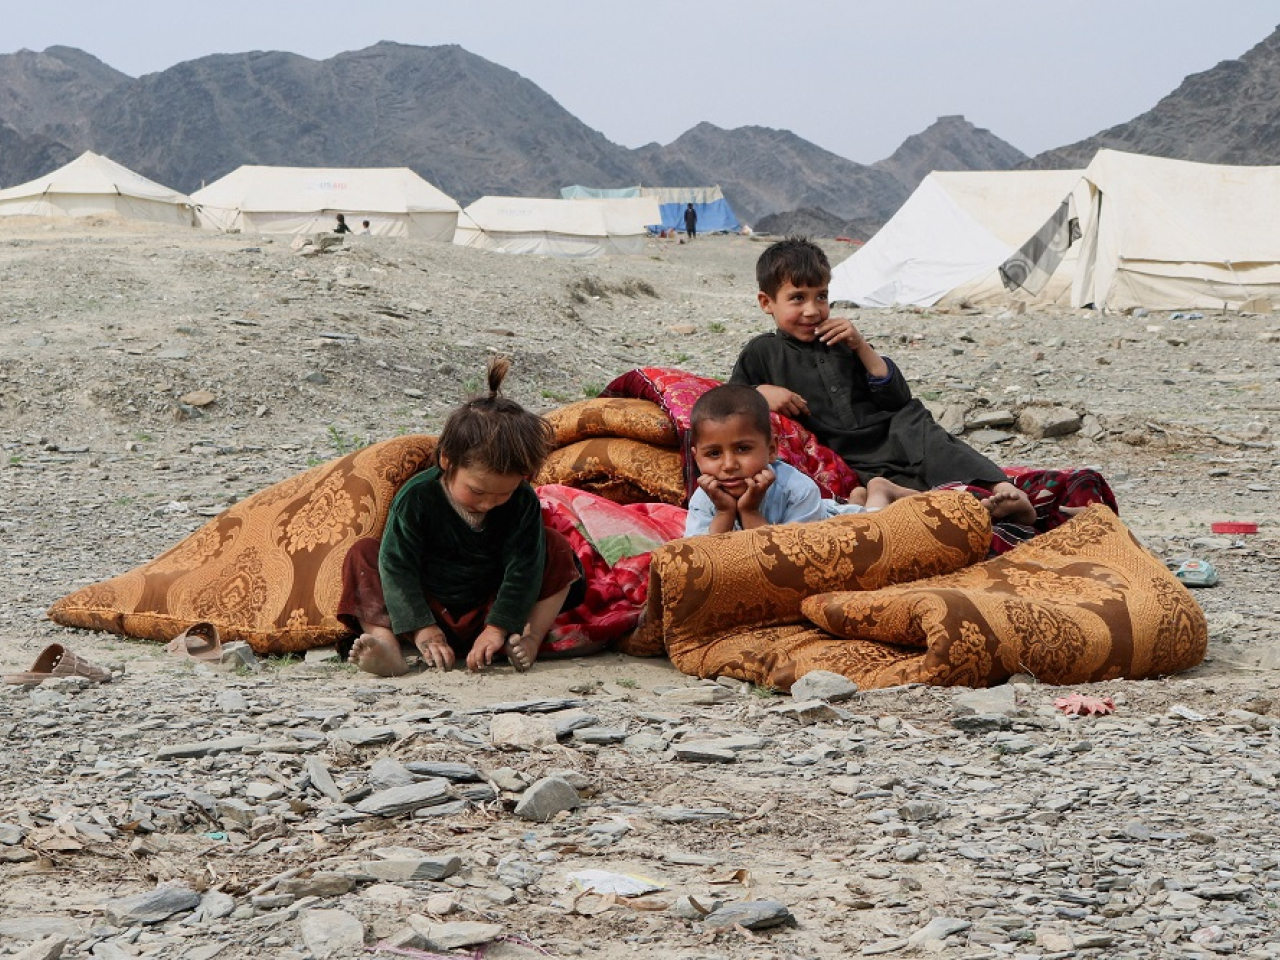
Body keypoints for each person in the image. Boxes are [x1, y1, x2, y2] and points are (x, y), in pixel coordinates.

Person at [730, 237, 1036, 524]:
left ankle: (1001, 489)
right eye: (797, 299)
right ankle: (957, 510)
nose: (812, 310)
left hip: (888, 432)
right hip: (841, 448)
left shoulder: (840, 340)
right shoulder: (762, 351)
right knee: (884, 486)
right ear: (767, 302)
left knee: (919, 424)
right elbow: (727, 403)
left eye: (821, 296)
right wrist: (759, 394)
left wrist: (861, 346)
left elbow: (897, 398)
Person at [338, 358, 582, 676]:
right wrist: (423, 628)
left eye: (502, 494)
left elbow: (524, 568)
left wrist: (497, 628)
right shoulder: (418, 497)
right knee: (363, 555)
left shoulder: (522, 501)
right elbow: (398, 568)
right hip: (427, 606)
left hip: (489, 607)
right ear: (447, 461)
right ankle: (387, 648)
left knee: (555, 547)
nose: (488, 504)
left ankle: (530, 639)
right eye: (477, 492)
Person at [684, 384, 916, 536]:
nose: (728, 465)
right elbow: (704, 559)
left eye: (743, 449)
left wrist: (751, 511)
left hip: (825, 529)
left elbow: (788, 560)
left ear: (772, 449)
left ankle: (879, 490)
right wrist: (724, 512)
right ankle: (857, 497)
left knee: (876, 530)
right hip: (813, 515)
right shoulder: (706, 496)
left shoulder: (796, 488)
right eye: (713, 454)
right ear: (697, 457)